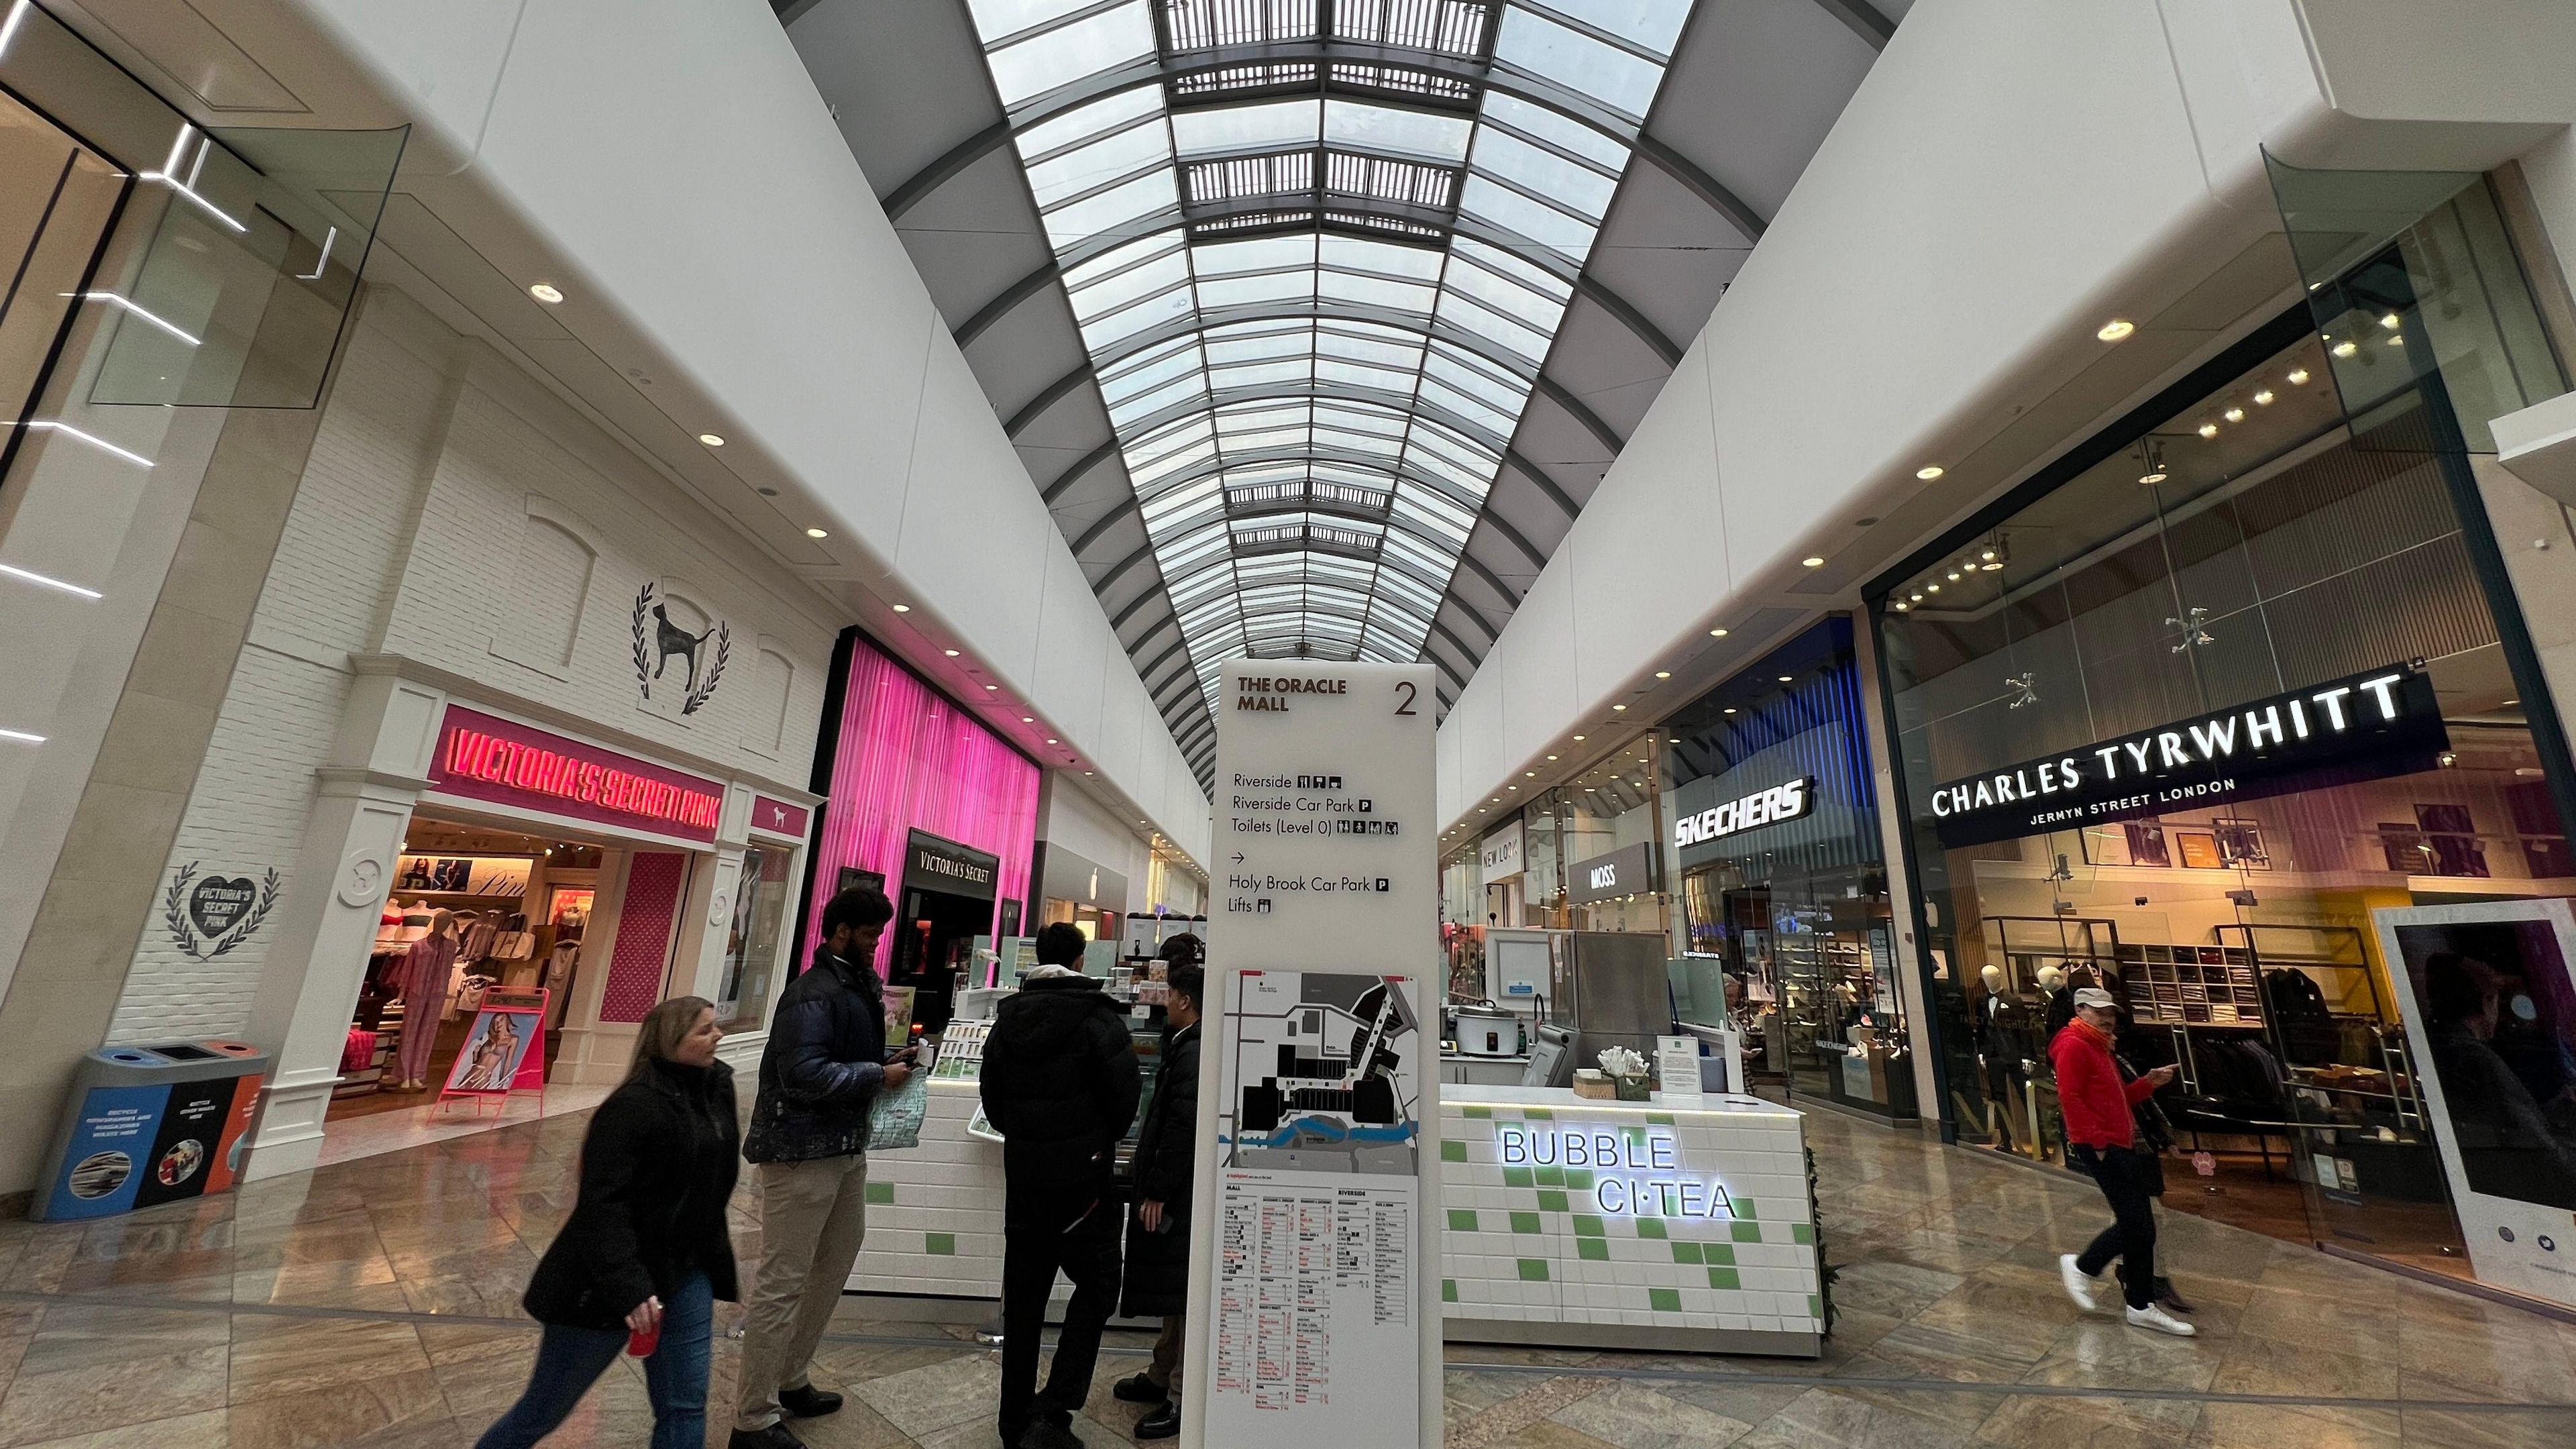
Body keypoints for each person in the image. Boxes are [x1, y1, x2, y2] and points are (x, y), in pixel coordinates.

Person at [476, 997, 738, 1448]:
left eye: (716, 1027)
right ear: (669, 1040)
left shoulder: (717, 1090)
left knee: (684, 1406)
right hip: (607, 1284)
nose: (717, 1037)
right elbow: (602, 1204)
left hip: (687, 1270)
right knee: (542, 1411)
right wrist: (629, 1283)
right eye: (704, 1030)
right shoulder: (633, 1106)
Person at [733, 887, 916, 1449]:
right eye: (868, 934)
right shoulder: (811, 994)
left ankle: (791, 1378)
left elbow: (839, 1056)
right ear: (840, 933)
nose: (876, 944)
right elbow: (803, 1074)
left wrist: (889, 1061)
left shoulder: (852, 986)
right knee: (783, 1281)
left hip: (842, 1147)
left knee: (833, 1263)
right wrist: (874, 1077)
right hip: (801, 1153)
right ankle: (752, 1417)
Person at [981, 922, 1142, 1449]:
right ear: (1079, 959)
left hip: (1025, 1181)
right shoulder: (1099, 1021)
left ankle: (1013, 1422)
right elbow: (1124, 1103)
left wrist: (1029, 1137)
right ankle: (1054, 1407)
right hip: (1084, 1186)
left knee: (1024, 1300)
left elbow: (994, 1102)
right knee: (1096, 1286)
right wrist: (1090, 1142)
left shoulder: (1006, 1023)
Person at [2052, 986, 2192, 1336]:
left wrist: (2148, 1084)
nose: (2108, 1016)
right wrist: (2097, 1143)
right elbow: (2071, 1098)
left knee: (2142, 1227)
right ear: (2080, 1010)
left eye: (2111, 1010)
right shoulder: (2073, 1045)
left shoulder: (2100, 1046)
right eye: (2099, 1010)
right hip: (2103, 1146)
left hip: (2119, 1142)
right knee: (2136, 1224)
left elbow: (2115, 1099)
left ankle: (2141, 1305)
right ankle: (2084, 1266)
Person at [1115, 937, 1205, 1440]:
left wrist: (1157, 1190)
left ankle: (1178, 1394)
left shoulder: (1191, 1052)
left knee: (1183, 1292)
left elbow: (1180, 1128)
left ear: (1185, 1001)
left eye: (1169, 995)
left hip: (1179, 1196)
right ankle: (1161, 1373)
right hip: (1177, 1192)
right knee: (1174, 1292)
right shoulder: (1187, 1047)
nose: (1164, 1002)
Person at [393, 909, 460, 1089]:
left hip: (437, 994)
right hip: (417, 992)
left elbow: (448, 972)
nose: (442, 925)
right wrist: (401, 994)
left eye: (446, 922)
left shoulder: (451, 947)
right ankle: (404, 1074)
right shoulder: (419, 946)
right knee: (409, 1032)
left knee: (427, 1035)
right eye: (439, 921)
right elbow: (407, 971)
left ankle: (418, 1074)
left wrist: (447, 991)